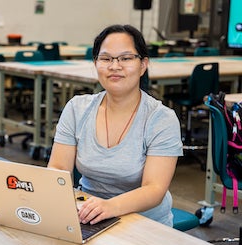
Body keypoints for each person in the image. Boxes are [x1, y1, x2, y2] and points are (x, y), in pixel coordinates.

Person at [47, 24, 183, 227]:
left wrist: (109, 207)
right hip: (87, 215)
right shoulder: (77, 108)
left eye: (126, 58)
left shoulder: (161, 119)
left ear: (143, 65)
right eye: (106, 58)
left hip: (145, 223)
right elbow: (58, 168)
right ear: (96, 63)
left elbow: (154, 189)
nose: (115, 66)